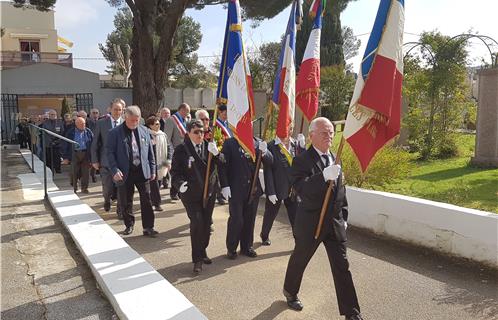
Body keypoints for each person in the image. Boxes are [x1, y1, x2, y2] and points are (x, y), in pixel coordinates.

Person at [282, 117, 362, 320]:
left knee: (342, 266)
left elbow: (341, 192)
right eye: (325, 133)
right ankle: (290, 292)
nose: (330, 136)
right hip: (311, 223)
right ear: (311, 136)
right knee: (300, 260)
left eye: (332, 133)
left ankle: (351, 311)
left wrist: (343, 216)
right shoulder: (301, 160)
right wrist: (323, 176)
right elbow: (301, 189)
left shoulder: (336, 158)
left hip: (334, 224)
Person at [171, 120, 220, 274]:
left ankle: (203, 250)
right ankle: (197, 259)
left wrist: (218, 154)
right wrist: (179, 184)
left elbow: (222, 165)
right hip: (191, 194)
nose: (200, 135)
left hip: (209, 192)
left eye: (202, 132)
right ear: (188, 133)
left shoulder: (209, 146)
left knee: (206, 225)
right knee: (197, 222)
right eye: (196, 132)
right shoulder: (181, 150)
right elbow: (175, 172)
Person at [106, 105, 157, 237]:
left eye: (137, 120)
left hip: (142, 171)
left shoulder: (145, 130)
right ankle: (129, 225)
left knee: (147, 199)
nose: (134, 123)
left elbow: (150, 152)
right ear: (125, 117)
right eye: (132, 120)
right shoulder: (114, 133)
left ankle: (148, 227)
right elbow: (110, 153)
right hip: (124, 172)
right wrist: (114, 170)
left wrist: (152, 169)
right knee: (126, 200)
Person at [218, 137, 271, 259]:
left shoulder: (257, 142)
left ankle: (247, 247)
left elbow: (270, 161)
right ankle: (231, 248)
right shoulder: (230, 143)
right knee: (237, 219)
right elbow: (222, 165)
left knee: (250, 219)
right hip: (236, 189)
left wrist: (265, 152)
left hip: (253, 189)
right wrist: (225, 185)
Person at [260, 131, 305, 245]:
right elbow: (268, 170)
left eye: (290, 128)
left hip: (293, 188)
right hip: (277, 187)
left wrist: (303, 148)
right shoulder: (271, 146)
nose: (288, 131)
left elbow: (302, 163)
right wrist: (270, 191)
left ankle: (298, 240)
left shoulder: (295, 144)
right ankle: (264, 235)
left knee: (295, 216)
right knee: (270, 214)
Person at [91, 99, 124, 216]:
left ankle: (120, 210)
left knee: (121, 187)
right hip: (105, 162)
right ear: (110, 109)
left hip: (121, 162)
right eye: (115, 109)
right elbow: (95, 142)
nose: (117, 112)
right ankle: (106, 200)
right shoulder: (101, 123)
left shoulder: (126, 122)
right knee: (107, 188)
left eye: (120, 110)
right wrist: (94, 160)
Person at [145, 116, 173, 212]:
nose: (158, 125)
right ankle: (157, 203)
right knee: (154, 183)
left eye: (159, 123)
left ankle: (153, 200)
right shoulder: (146, 135)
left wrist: (169, 160)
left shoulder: (163, 135)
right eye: (156, 124)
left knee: (159, 182)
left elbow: (169, 147)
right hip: (151, 164)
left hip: (163, 162)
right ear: (150, 126)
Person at [163, 103, 190, 200]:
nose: (187, 114)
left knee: (184, 172)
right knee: (176, 172)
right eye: (187, 112)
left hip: (185, 151)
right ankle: (173, 192)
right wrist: (171, 152)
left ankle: (179, 191)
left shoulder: (185, 120)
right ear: (181, 110)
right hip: (175, 151)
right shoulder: (171, 120)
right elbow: (167, 138)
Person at [62, 117, 93, 193]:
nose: (83, 125)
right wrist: (65, 157)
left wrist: (93, 157)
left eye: (84, 123)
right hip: (74, 153)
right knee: (74, 172)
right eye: (81, 124)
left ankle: (84, 188)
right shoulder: (71, 132)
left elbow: (93, 143)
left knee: (86, 173)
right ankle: (75, 186)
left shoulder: (88, 131)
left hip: (86, 153)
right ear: (76, 124)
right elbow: (65, 144)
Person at [41, 109, 63, 173]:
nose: (53, 116)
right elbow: (45, 133)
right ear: (49, 115)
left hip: (57, 143)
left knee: (57, 157)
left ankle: (58, 169)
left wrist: (57, 141)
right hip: (48, 143)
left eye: (54, 114)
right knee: (49, 158)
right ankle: (50, 170)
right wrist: (51, 141)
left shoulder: (59, 122)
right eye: (51, 114)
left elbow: (62, 132)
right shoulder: (45, 123)